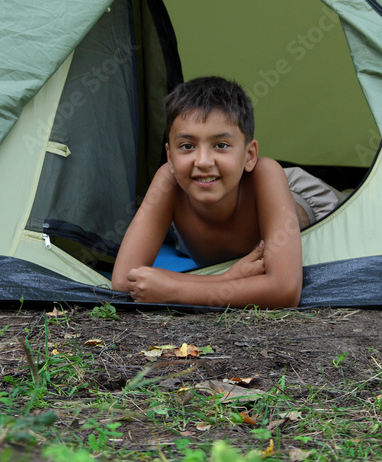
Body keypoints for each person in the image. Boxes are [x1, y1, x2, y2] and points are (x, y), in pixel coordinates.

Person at [111, 76, 307, 308]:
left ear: (249, 155)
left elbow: (285, 290)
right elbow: (124, 281)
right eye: (187, 146)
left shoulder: (265, 174)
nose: (203, 161)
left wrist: (176, 289)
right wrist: (226, 279)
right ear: (170, 157)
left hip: (302, 195)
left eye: (221, 145)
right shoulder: (170, 180)